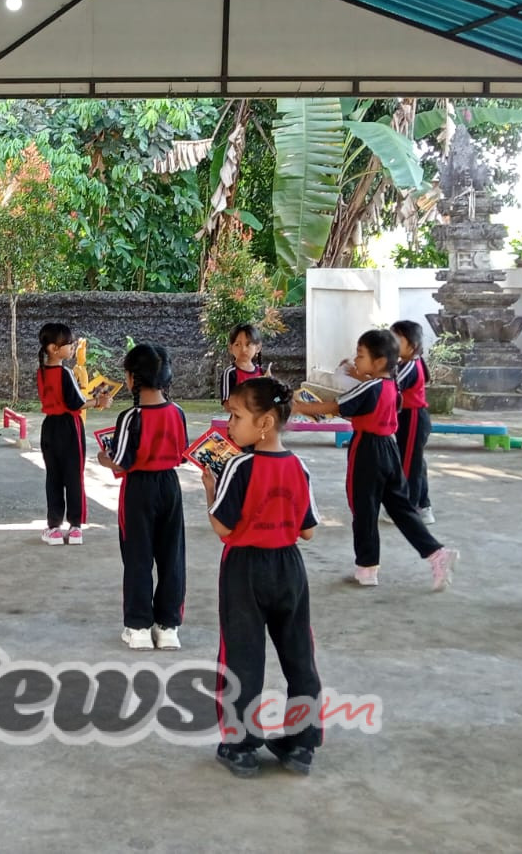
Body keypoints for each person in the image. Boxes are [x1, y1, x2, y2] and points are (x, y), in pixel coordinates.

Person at [208, 376, 323, 779]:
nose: (229, 426)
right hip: (289, 568)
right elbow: (308, 531)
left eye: (237, 417)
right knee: (299, 655)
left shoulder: (239, 466)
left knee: (241, 656)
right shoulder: (299, 466)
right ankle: (302, 743)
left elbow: (222, 528)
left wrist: (210, 486)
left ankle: (239, 745)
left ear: (265, 423)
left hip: (244, 569)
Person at [295, 329, 457, 590]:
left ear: (379, 362)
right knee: (401, 508)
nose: (356, 360)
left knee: (364, 510)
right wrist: (355, 375)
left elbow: (336, 406)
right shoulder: (391, 385)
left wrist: (299, 407)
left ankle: (367, 568)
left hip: (367, 449)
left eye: (360, 355)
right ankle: (437, 553)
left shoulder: (369, 387)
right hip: (389, 449)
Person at [96, 342, 188, 651]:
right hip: (170, 487)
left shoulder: (130, 418)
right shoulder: (178, 412)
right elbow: (181, 453)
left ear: (132, 378)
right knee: (171, 555)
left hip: (139, 489)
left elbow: (121, 461)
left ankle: (138, 626)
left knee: (137, 556)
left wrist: (102, 458)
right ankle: (168, 626)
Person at [38, 322, 112, 546]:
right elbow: (75, 403)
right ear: (53, 348)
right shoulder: (65, 372)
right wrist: (99, 401)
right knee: (73, 476)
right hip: (69, 428)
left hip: (49, 428)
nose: (72, 347)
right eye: (67, 344)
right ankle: (76, 526)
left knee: (54, 477)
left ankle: (54, 527)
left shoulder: (41, 372)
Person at [391, 320, 434, 524]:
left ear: (412, 345)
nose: (391, 343)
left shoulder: (409, 365)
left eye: (397, 339)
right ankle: (423, 506)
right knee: (415, 463)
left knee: (409, 465)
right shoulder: (405, 363)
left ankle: (409, 508)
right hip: (408, 417)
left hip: (413, 418)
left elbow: (390, 385)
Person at [219, 323, 267, 404]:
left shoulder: (263, 372)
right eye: (237, 344)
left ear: (258, 347)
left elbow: (274, 398)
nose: (243, 349)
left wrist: (281, 399)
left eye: (248, 344)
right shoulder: (230, 373)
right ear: (231, 348)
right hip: (241, 416)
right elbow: (226, 403)